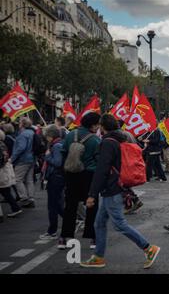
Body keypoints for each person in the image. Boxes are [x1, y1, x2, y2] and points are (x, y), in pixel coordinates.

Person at [80, 114, 160, 268]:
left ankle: (148, 248)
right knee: (99, 223)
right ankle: (98, 257)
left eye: (99, 126)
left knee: (119, 224)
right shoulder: (121, 139)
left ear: (103, 127)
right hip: (115, 186)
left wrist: (91, 194)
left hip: (112, 188)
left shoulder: (107, 143)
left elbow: (102, 170)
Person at [58, 113, 101, 249]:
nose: (98, 127)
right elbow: (98, 159)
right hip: (88, 175)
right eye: (97, 124)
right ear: (93, 125)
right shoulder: (95, 139)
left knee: (70, 206)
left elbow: (63, 152)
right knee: (91, 206)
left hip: (71, 174)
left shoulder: (71, 134)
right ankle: (92, 238)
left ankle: (64, 237)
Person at [40, 125, 65, 240]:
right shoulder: (57, 144)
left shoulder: (56, 146)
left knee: (52, 205)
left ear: (51, 136)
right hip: (56, 177)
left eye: (47, 136)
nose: (46, 138)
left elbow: (58, 162)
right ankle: (70, 221)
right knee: (58, 204)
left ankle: (52, 231)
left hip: (55, 178)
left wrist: (48, 156)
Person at [11, 117, 36, 208]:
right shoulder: (32, 133)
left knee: (17, 179)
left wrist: (12, 158)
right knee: (29, 180)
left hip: (22, 160)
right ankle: (31, 198)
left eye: (20, 122)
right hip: (31, 159)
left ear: (22, 124)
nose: (18, 124)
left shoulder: (23, 134)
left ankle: (24, 198)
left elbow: (21, 148)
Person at [0, 130, 22, 218]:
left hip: (2, 171)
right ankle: (15, 208)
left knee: (6, 192)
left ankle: (15, 208)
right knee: (6, 192)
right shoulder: (3, 144)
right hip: (5, 170)